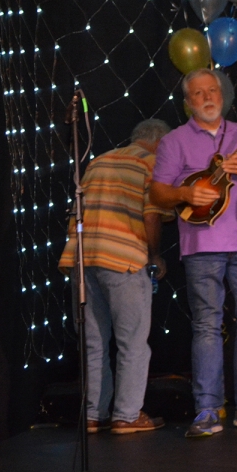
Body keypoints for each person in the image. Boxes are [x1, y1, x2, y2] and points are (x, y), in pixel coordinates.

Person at [150, 68, 237, 438]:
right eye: (198, 93)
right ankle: (208, 409)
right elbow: (158, 193)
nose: (208, 97)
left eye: (213, 90)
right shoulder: (175, 141)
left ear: (222, 95)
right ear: (187, 102)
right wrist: (185, 194)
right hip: (200, 246)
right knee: (207, 326)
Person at [58, 119, 173, 434]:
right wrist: (154, 255)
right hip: (123, 258)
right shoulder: (151, 164)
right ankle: (126, 415)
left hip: (82, 259)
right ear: (160, 143)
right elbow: (151, 216)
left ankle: (93, 415)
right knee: (133, 342)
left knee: (94, 343)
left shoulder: (98, 161)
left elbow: (75, 209)